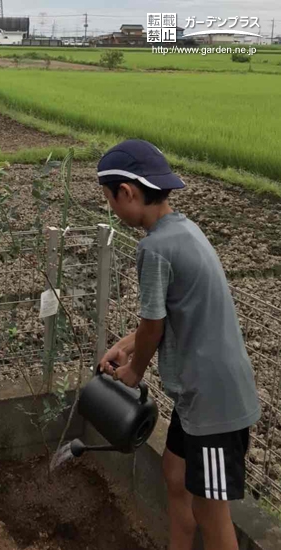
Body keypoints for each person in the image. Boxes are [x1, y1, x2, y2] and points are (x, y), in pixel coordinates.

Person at [97, 140, 260, 550]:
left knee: (210, 510)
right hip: (197, 396)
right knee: (174, 472)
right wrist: (126, 345)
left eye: (109, 200)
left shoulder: (154, 247)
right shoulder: (182, 229)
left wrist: (133, 372)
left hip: (213, 401)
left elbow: (153, 325)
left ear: (128, 193)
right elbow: (168, 314)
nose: (111, 210)